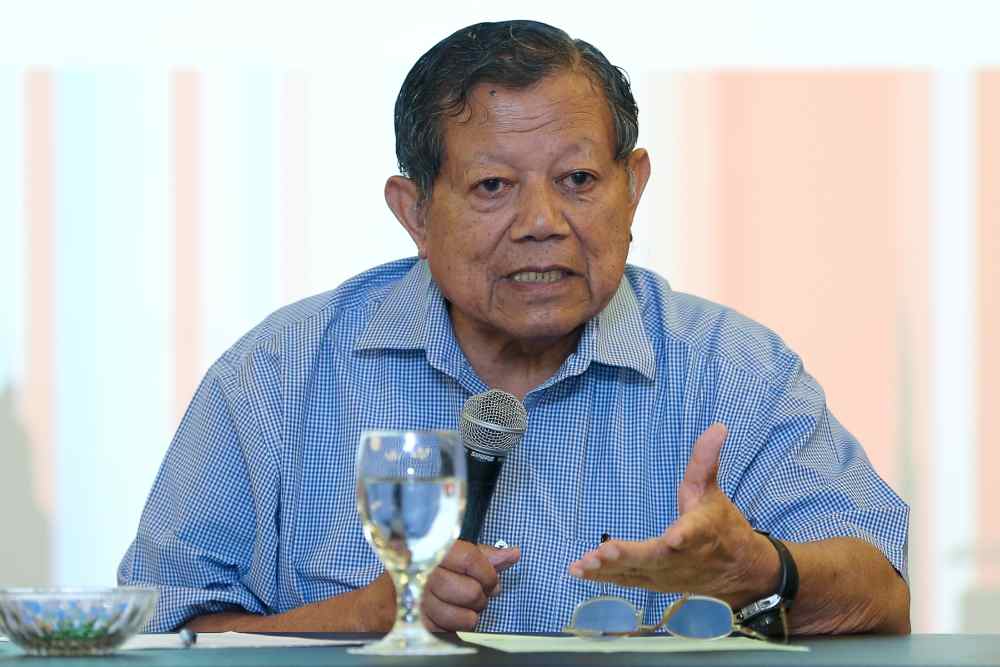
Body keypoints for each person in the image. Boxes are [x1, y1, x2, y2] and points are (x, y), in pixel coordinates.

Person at [119, 19, 910, 635]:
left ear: (632, 189)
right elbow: (162, 632)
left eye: (577, 180)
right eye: (494, 185)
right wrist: (365, 617)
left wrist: (761, 568)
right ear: (415, 211)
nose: (542, 222)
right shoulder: (277, 376)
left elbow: (884, 596)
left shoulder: (735, 370)